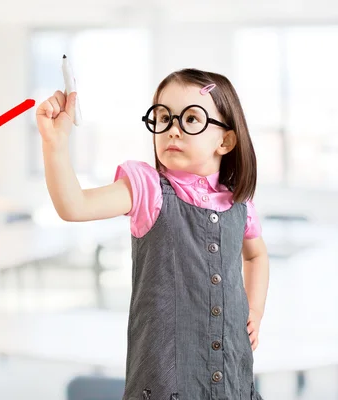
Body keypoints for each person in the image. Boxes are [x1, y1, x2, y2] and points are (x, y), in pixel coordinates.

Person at [35, 68, 269, 400]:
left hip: (232, 379)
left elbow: (257, 255)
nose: (172, 130)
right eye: (162, 118)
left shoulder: (239, 202)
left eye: (190, 119)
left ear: (225, 140)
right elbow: (74, 206)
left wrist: (255, 310)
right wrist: (54, 144)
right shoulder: (147, 189)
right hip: (164, 384)